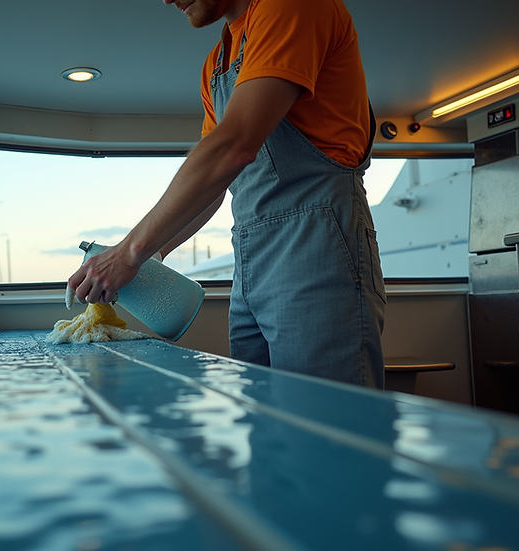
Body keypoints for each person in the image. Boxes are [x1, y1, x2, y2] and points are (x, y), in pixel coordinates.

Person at [68, 0, 386, 388]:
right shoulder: (217, 64)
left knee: (329, 427)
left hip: (320, 249)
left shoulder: (292, 6)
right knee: (263, 425)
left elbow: (234, 145)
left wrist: (127, 253)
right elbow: (215, 183)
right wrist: (153, 253)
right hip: (250, 267)